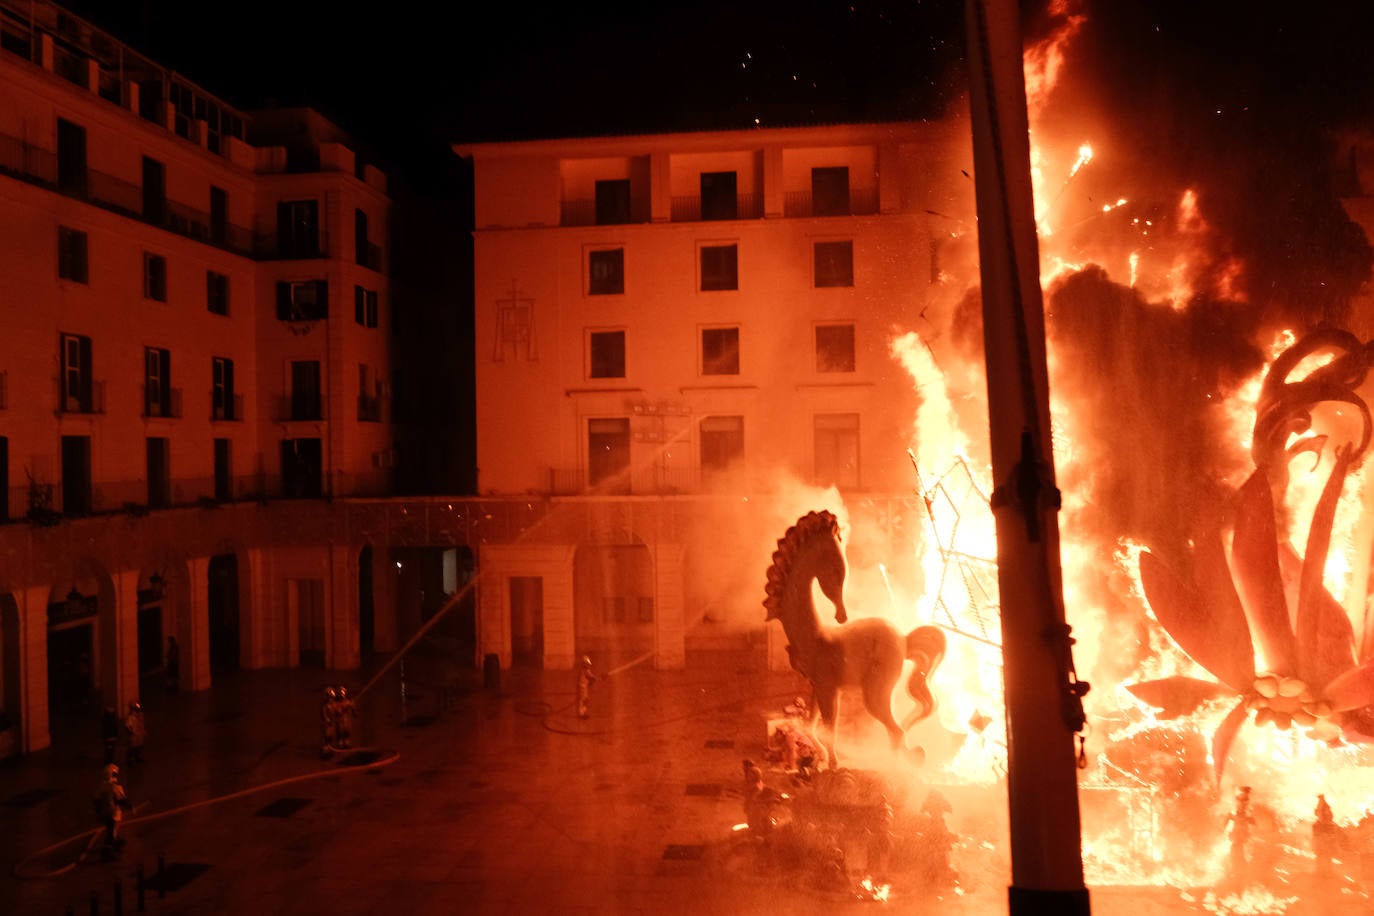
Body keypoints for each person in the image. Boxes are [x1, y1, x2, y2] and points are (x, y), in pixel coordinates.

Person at [92, 763, 132, 860]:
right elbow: (122, 800)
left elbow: (96, 801)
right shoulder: (115, 787)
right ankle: (107, 852)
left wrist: (98, 813)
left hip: (104, 814)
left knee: (111, 829)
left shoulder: (101, 787)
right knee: (112, 832)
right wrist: (130, 807)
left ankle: (115, 841)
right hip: (113, 813)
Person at [320, 687, 338, 757]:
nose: (331, 699)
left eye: (332, 698)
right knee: (327, 736)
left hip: (332, 723)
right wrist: (327, 719)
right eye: (330, 697)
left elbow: (337, 711)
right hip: (327, 724)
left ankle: (330, 749)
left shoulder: (334, 705)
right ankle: (326, 749)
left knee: (331, 736)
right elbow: (324, 713)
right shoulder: (325, 706)